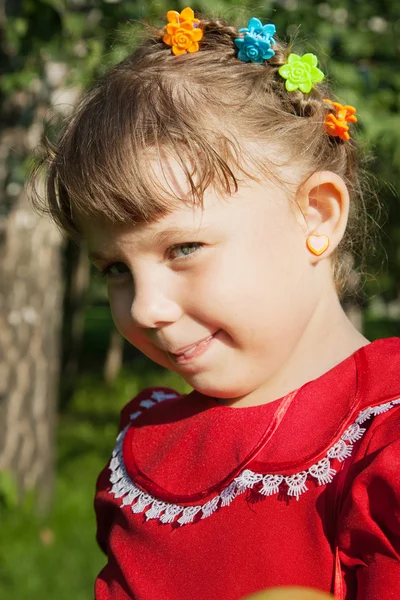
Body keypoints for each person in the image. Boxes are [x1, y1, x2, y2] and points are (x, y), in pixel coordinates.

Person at [31, 7, 400, 600]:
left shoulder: (384, 448)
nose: (146, 308)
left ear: (317, 216)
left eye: (183, 248)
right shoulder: (151, 457)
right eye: (117, 269)